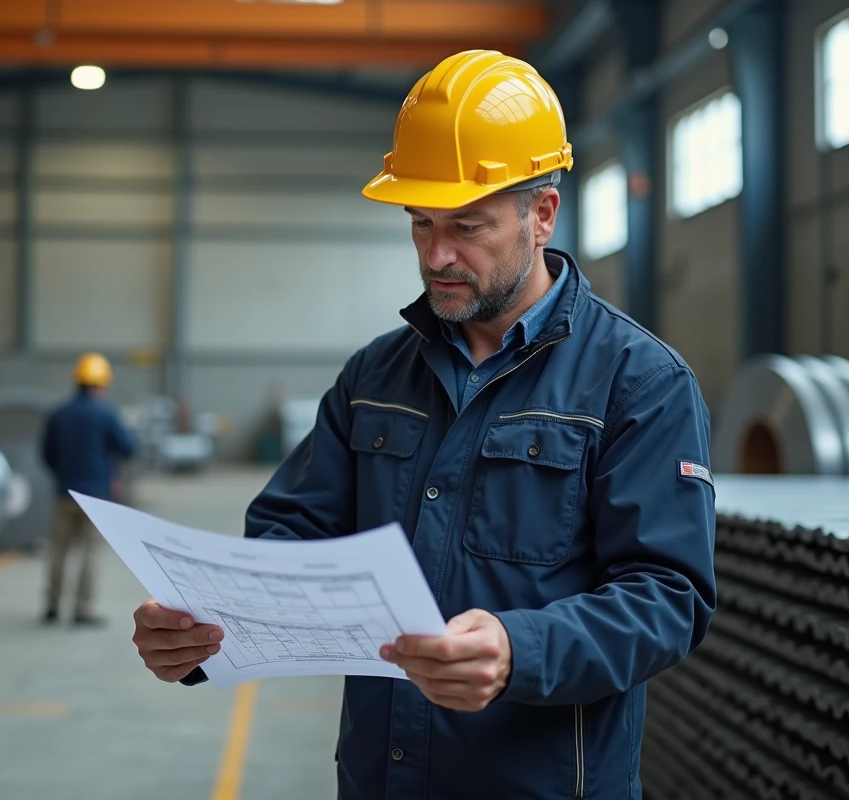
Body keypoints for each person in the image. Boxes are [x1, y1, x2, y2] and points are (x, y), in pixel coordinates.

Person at [131, 49, 717, 799]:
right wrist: (205, 628)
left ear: (541, 214)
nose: (437, 255)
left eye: (468, 226)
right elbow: (290, 542)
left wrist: (519, 647)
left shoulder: (640, 384)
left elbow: (668, 596)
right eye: (420, 224)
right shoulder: (374, 379)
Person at [41, 352, 137, 626]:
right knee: (90, 553)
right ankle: (83, 610)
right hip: (96, 497)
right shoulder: (107, 414)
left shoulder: (59, 414)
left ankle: (52, 606)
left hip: (64, 493)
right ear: (101, 384)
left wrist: (64, 475)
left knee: (59, 550)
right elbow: (128, 449)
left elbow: (46, 454)